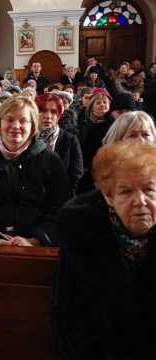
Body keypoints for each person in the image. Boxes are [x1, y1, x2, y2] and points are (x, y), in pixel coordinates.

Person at [53, 141, 156, 360]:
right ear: (109, 197)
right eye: (126, 191)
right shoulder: (82, 238)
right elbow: (67, 318)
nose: (140, 201)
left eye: (149, 189)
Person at [0, 96, 69, 246]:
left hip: (36, 248)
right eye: (9, 119)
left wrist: (36, 240)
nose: (16, 126)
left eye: (23, 121)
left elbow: (60, 207)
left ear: (33, 126)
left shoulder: (51, 161)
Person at [36, 93, 83, 195]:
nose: (48, 116)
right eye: (43, 111)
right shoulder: (27, 137)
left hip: (61, 198)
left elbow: (76, 173)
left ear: (59, 115)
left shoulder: (70, 139)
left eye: (53, 112)